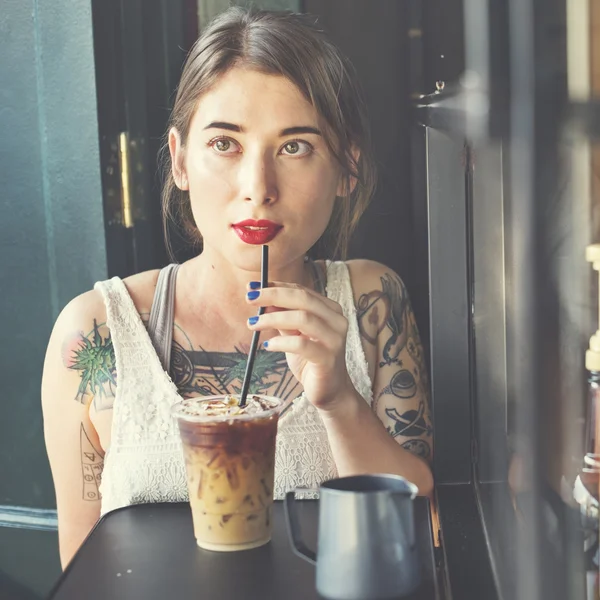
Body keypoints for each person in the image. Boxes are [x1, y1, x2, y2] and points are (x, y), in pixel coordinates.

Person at [41, 6, 434, 569]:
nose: (258, 188)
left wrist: (340, 400)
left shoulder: (373, 301)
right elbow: (83, 573)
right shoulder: (94, 332)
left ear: (347, 167)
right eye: (225, 144)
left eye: (295, 146)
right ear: (179, 161)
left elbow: (423, 528)